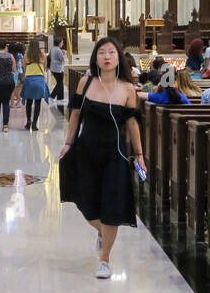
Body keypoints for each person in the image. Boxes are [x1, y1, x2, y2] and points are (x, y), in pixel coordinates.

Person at [58, 36, 145, 280]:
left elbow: (131, 122)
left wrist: (139, 154)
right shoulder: (85, 82)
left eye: (112, 52)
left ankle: (104, 259)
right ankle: (102, 232)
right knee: (86, 202)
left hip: (114, 154)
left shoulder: (128, 89)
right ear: (95, 57)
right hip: (87, 150)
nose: (107, 56)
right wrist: (68, 143)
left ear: (118, 58)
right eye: (102, 52)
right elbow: (75, 114)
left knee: (112, 206)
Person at [20, 37, 49, 131]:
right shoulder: (43, 55)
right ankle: (35, 124)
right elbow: (45, 69)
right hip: (39, 80)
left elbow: (24, 69)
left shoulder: (26, 56)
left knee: (29, 102)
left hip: (29, 80)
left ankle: (28, 121)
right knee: (37, 102)